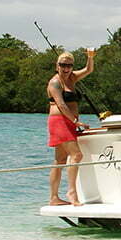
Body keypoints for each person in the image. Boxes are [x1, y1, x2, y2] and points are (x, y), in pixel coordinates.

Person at [46, 49, 96, 206]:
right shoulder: (55, 82)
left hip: (69, 121)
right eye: (63, 65)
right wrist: (76, 121)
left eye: (69, 65)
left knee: (60, 160)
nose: (66, 69)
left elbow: (89, 70)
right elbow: (60, 104)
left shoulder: (72, 78)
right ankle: (71, 192)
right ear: (57, 66)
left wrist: (90, 57)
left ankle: (54, 198)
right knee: (76, 155)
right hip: (59, 121)